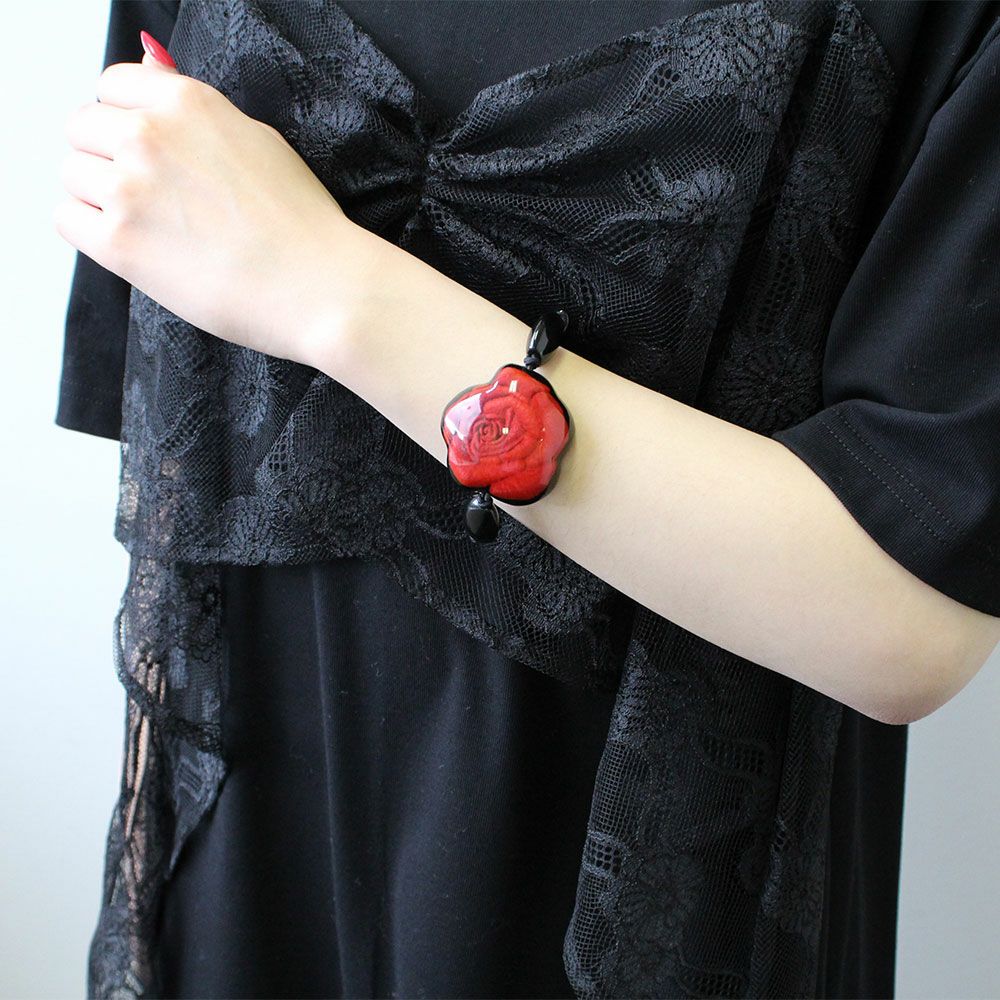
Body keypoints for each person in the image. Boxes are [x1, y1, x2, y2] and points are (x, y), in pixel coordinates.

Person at [55, 2, 1000, 998]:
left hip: (643, 895)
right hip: (242, 853)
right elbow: (175, 472)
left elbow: (909, 619)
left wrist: (325, 285)